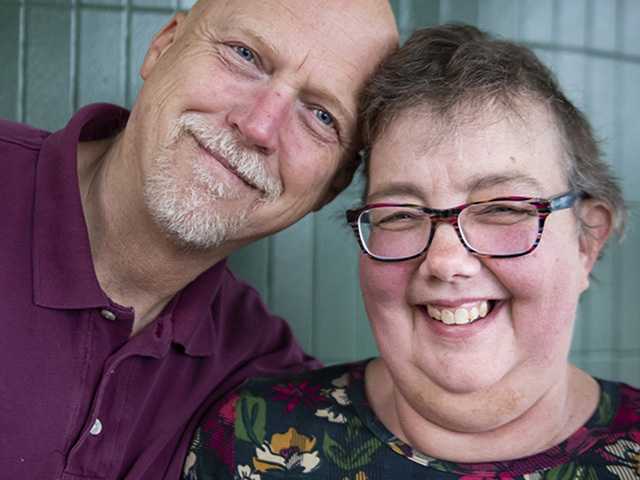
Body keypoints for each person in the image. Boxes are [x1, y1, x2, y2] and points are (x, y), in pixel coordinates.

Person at [183, 24, 639, 479]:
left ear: (586, 241)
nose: (444, 261)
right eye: (400, 214)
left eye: (502, 208)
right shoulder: (250, 438)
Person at [0, 0, 398, 478]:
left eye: (321, 116)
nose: (258, 126)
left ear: (330, 187)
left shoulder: (261, 375)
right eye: (245, 55)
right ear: (163, 46)